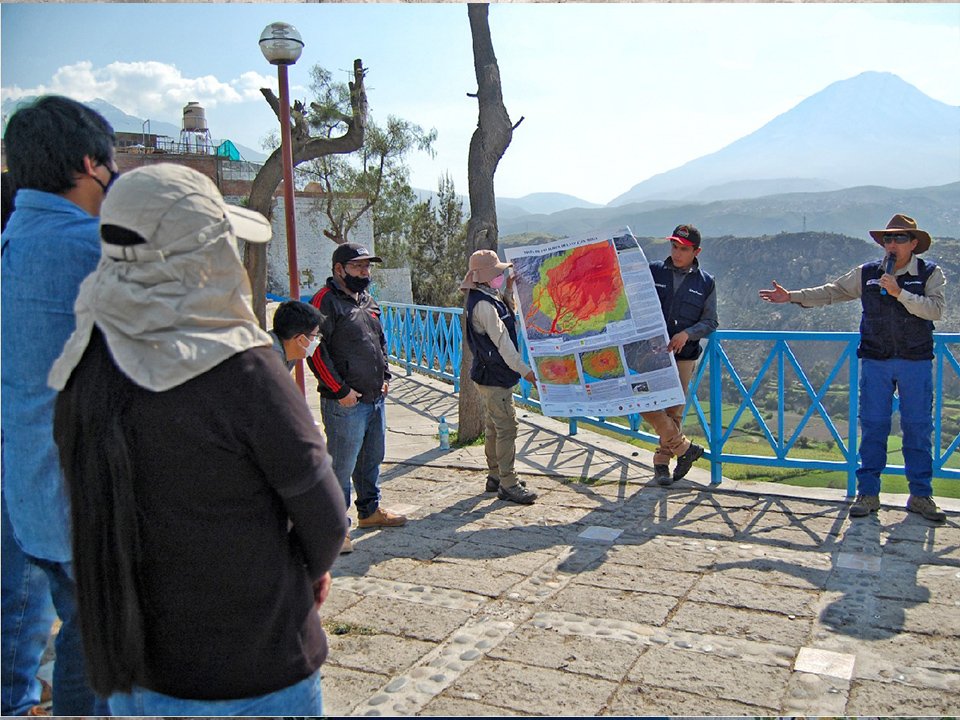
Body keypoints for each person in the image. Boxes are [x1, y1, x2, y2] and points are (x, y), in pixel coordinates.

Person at [48, 163, 347, 715]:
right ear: (206, 253)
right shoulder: (246, 370)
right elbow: (325, 516)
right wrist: (309, 571)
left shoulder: (83, 363)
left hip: (136, 672)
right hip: (256, 668)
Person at [1, 95, 117, 716]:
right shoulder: (96, 249)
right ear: (89, 162)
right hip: (85, 500)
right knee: (98, 649)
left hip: (24, 492)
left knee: (27, 635)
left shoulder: (13, 241)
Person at [759, 213, 947, 523]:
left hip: (915, 361)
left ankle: (921, 495)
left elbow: (936, 310)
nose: (892, 244)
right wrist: (791, 297)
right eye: (888, 238)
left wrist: (900, 292)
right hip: (876, 360)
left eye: (900, 238)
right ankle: (868, 493)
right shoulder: (868, 273)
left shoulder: (930, 274)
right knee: (873, 426)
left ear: (914, 244)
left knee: (917, 428)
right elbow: (832, 292)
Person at [307, 242, 407, 554]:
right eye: (358, 267)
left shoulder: (367, 299)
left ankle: (369, 511)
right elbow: (314, 351)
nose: (365, 272)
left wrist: (386, 376)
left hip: (375, 397)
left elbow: (380, 340)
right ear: (339, 269)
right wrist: (340, 391)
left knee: (371, 460)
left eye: (367, 267)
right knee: (340, 467)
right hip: (345, 403)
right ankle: (336, 529)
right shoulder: (324, 302)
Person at [460, 249, 539, 504]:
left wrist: (507, 290)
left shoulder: (486, 297)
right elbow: (503, 341)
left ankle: (495, 476)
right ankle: (508, 482)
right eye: (497, 273)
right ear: (485, 276)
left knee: (494, 426)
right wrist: (524, 370)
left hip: (489, 374)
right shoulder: (483, 305)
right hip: (495, 377)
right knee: (507, 428)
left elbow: (505, 320)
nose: (500, 275)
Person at [645, 224, 717, 486]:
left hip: (684, 355)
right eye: (674, 247)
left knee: (673, 410)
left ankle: (662, 464)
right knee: (643, 401)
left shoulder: (706, 283)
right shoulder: (653, 271)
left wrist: (687, 333)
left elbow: (710, 322)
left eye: (683, 249)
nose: (676, 253)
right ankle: (685, 449)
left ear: (696, 251)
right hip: (649, 354)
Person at [269, 300, 323, 371]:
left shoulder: (289, 353)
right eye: (315, 335)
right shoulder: (271, 360)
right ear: (301, 339)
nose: (316, 340)